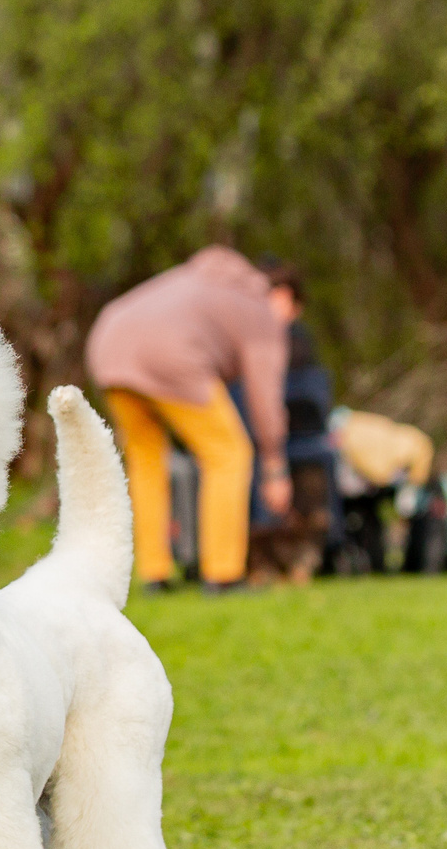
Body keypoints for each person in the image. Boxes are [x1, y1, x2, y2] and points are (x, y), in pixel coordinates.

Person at [86, 247, 294, 593]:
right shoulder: (260, 308)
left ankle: (154, 574)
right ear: (283, 296)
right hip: (170, 355)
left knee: (147, 461)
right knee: (229, 454)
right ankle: (224, 574)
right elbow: (265, 396)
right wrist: (274, 462)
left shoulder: (195, 279)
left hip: (108, 346)